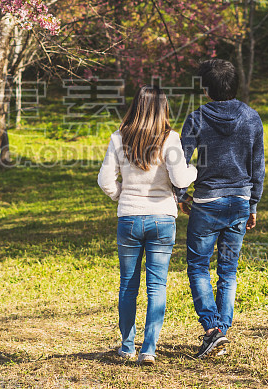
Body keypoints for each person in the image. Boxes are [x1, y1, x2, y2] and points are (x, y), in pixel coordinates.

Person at [98, 85, 197, 366]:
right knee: (157, 286)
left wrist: (123, 196)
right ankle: (149, 349)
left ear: (136, 106)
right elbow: (181, 180)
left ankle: (127, 346)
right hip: (162, 219)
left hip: (128, 218)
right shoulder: (171, 139)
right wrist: (195, 170)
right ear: (163, 108)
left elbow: (105, 181)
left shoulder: (118, 138)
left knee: (128, 286)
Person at [178, 59, 265, 359]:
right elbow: (258, 166)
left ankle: (212, 330)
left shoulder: (196, 118)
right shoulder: (252, 118)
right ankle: (221, 333)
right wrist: (253, 203)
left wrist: (180, 194)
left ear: (207, 88)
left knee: (199, 267)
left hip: (206, 204)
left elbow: (180, 161)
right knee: (228, 271)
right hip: (239, 203)